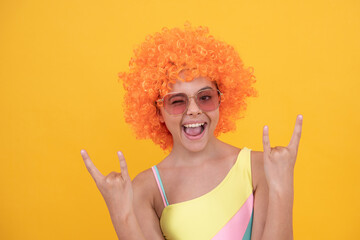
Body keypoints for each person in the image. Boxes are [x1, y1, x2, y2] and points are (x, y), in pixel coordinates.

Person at [80, 22, 303, 240]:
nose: (194, 110)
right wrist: (121, 214)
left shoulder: (259, 167)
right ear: (157, 112)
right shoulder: (147, 188)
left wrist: (282, 188)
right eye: (177, 101)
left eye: (205, 97)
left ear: (220, 101)